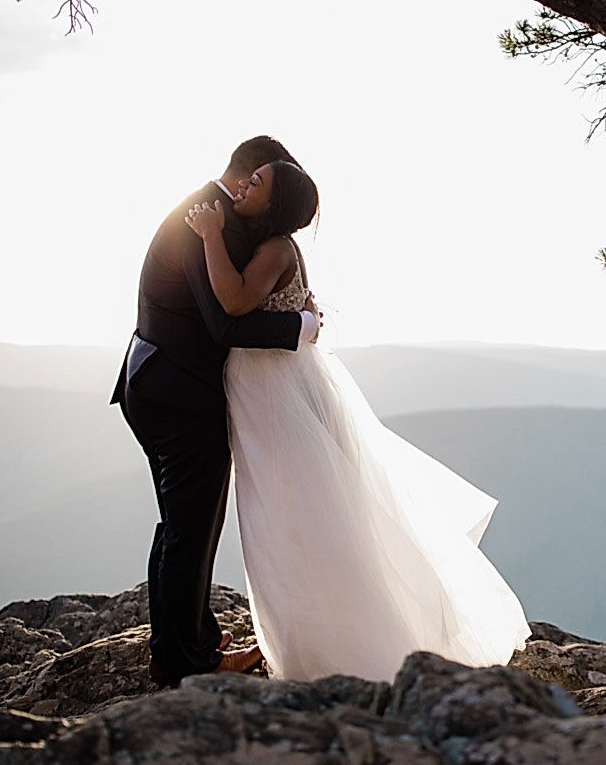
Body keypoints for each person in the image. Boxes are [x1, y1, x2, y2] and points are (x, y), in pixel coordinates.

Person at [185, 160, 530, 681]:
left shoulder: (276, 249)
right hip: (269, 394)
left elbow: (232, 302)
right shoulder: (273, 247)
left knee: (290, 524)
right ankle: (311, 646)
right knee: (281, 521)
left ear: (275, 205)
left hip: (275, 401)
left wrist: (209, 235)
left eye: (257, 183)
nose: (245, 184)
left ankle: (332, 653)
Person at [111, 137, 322, 687]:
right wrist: (299, 327)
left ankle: (185, 641)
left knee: (183, 524)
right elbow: (225, 322)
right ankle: (186, 661)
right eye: (259, 180)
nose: (254, 192)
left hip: (156, 380)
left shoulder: (214, 211)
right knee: (191, 526)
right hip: (176, 392)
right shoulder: (211, 219)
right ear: (249, 173)